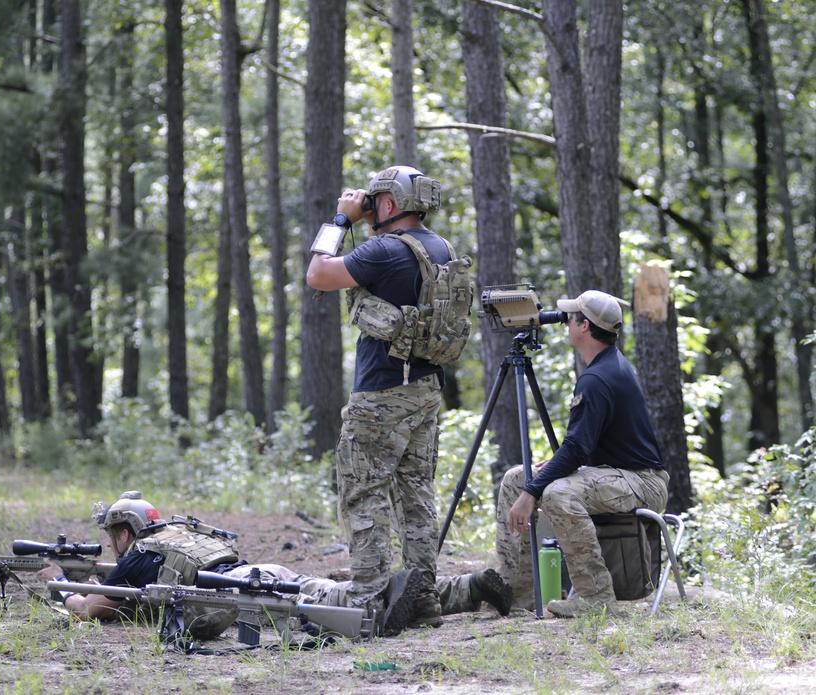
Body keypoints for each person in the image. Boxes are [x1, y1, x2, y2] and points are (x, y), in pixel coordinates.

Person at [38, 492, 512, 639]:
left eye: (111, 538)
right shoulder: (174, 536)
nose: (112, 546)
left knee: (352, 604)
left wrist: (59, 582)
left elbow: (92, 608)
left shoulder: (136, 555)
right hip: (254, 572)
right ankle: (466, 587)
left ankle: (394, 597)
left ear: (124, 532)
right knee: (328, 589)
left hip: (239, 593)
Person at [305, 165, 455, 629]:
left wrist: (341, 219)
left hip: (381, 394)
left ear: (388, 204)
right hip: (426, 389)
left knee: (363, 492)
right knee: (416, 495)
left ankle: (368, 601)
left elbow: (317, 274)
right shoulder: (441, 249)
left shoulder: (386, 250)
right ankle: (423, 596)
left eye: (374, 200)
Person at [492, 290, 670, 618]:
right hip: (615, 473)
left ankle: (595, 597)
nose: (565, 321)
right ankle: (515, 593)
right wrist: (535, 480)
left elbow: (575, 450)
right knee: (516, 478)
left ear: (584, 326)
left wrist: (535, 491)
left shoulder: (598, 378)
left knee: (558, 493)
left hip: (643, 482)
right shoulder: (604, 368)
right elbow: (582, 446)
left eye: (571, 316)